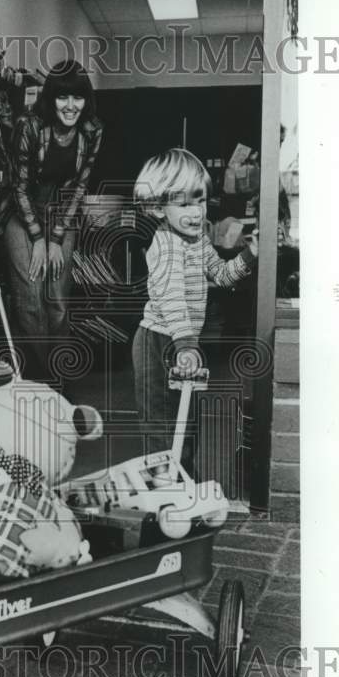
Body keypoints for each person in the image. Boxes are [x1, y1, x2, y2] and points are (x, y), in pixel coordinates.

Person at [131, 148, 259, 483]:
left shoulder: (198, 239)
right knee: (162, 427)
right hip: (159, 342)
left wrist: (251, 253)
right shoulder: (166, 244)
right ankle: (165, 491)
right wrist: (187, 346)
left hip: (182, 342)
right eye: (184, 204)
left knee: (185, 423)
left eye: (200, 201)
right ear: (159, 207)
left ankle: (183, 484)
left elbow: (222, 275)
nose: (196, 212)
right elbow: (172, 298)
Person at [0, 60, 103, 382]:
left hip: (62, 214)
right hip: (22, 213)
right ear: (51, 98)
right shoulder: (29, 126)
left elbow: (80, 187)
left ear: (86, 99)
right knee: (31, 302)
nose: (71, 106)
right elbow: (19, 187)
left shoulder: (93, 130)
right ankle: (38, 382)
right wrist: (38, 239)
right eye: (62, 97)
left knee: (57, 301)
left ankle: (58, 381)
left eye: (78, 97)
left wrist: (55, 239)